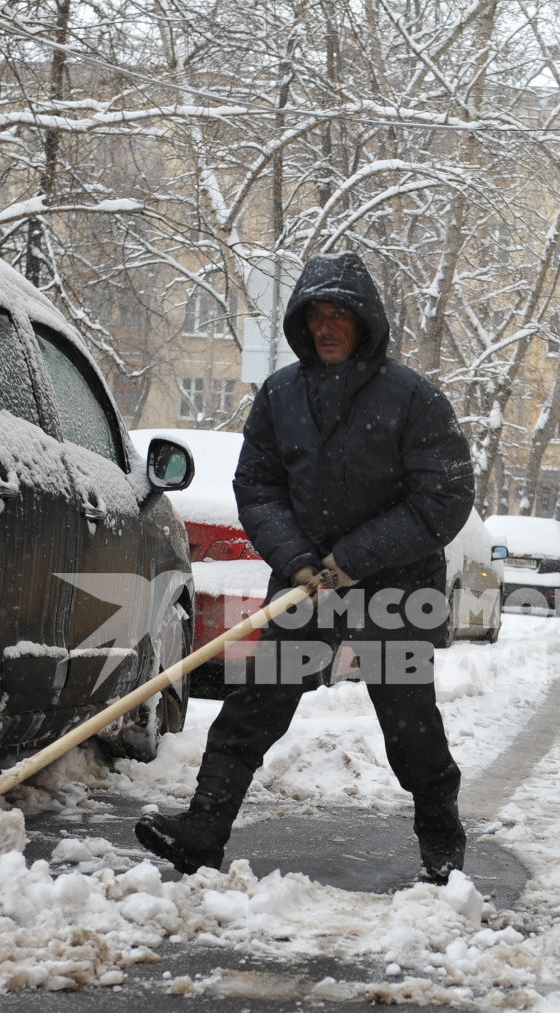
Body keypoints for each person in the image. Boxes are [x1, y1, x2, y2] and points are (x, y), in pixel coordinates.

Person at [135, 252, 475, 884]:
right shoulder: (281, 395)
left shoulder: (412, 400)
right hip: (305, 588)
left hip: (394, 589)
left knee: (409, 723)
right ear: (301, 323)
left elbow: (445, 498)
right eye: (316, 316)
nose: (326, 328)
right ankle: (203, 830)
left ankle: (442, 851)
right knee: (254, 706)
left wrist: (354, 560)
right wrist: (293, 560)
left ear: (364, 323)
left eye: (339, 316)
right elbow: (257, 486)